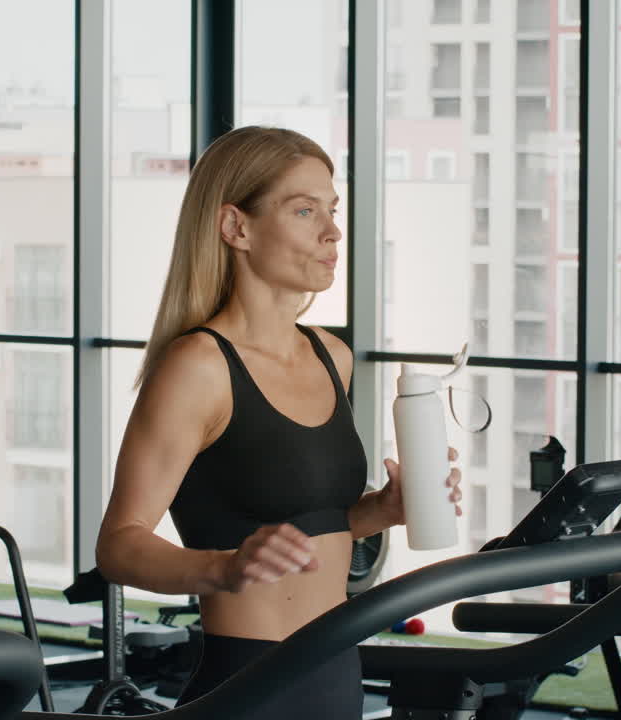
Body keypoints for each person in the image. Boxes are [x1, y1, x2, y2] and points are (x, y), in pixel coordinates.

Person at [96, 126, 464, 719]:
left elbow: (303, 518)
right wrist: (224, 567)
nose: (332, 231)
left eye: (331, 209)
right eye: (303, 209)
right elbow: (119, 543)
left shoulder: (330, 355)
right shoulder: (200, 366)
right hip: (249, 681)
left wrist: (382, 510)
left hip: (337, 667)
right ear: (236, 227)